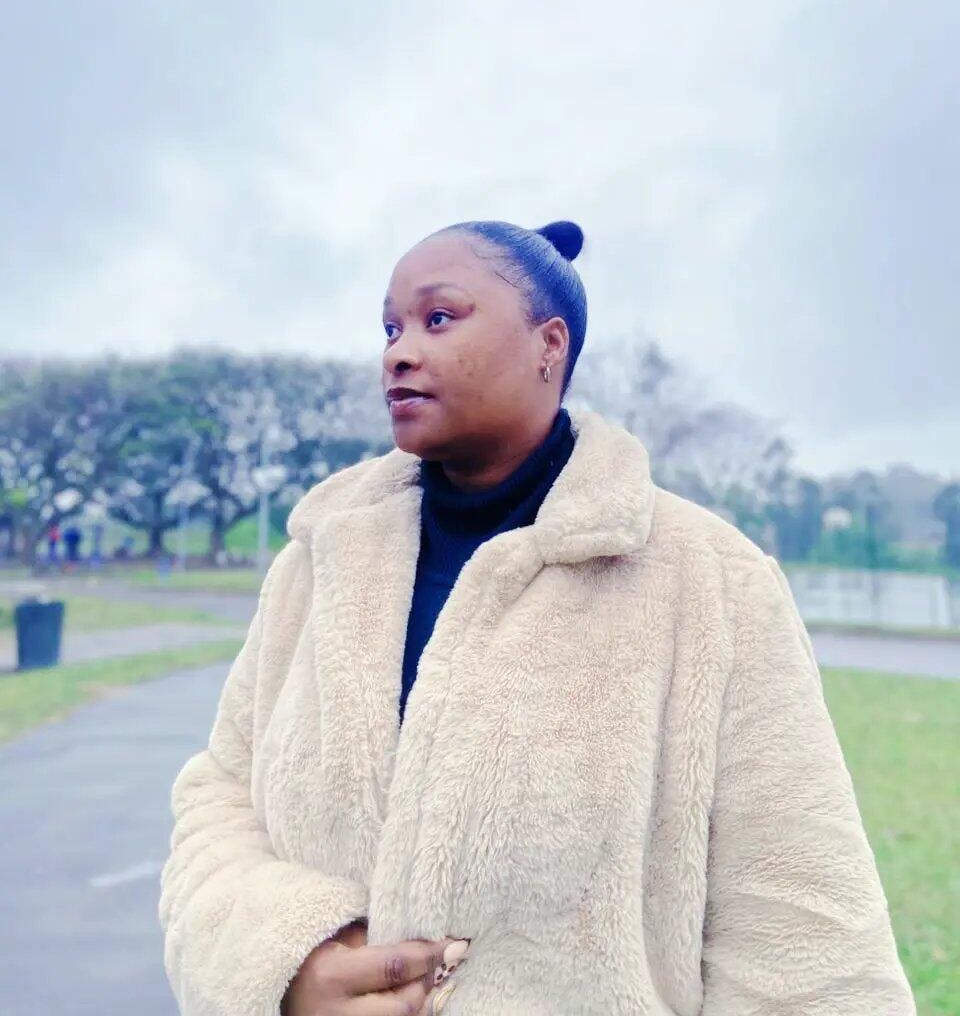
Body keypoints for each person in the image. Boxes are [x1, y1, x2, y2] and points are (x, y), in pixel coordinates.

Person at [158, 219, 916, 1015]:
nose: (399, 352)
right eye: (390, 328)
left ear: (549, 344)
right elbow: (220, 795)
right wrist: (285, 965)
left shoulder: (714, 583)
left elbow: (805, 932)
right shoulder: (315, 562)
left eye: (438, 318)